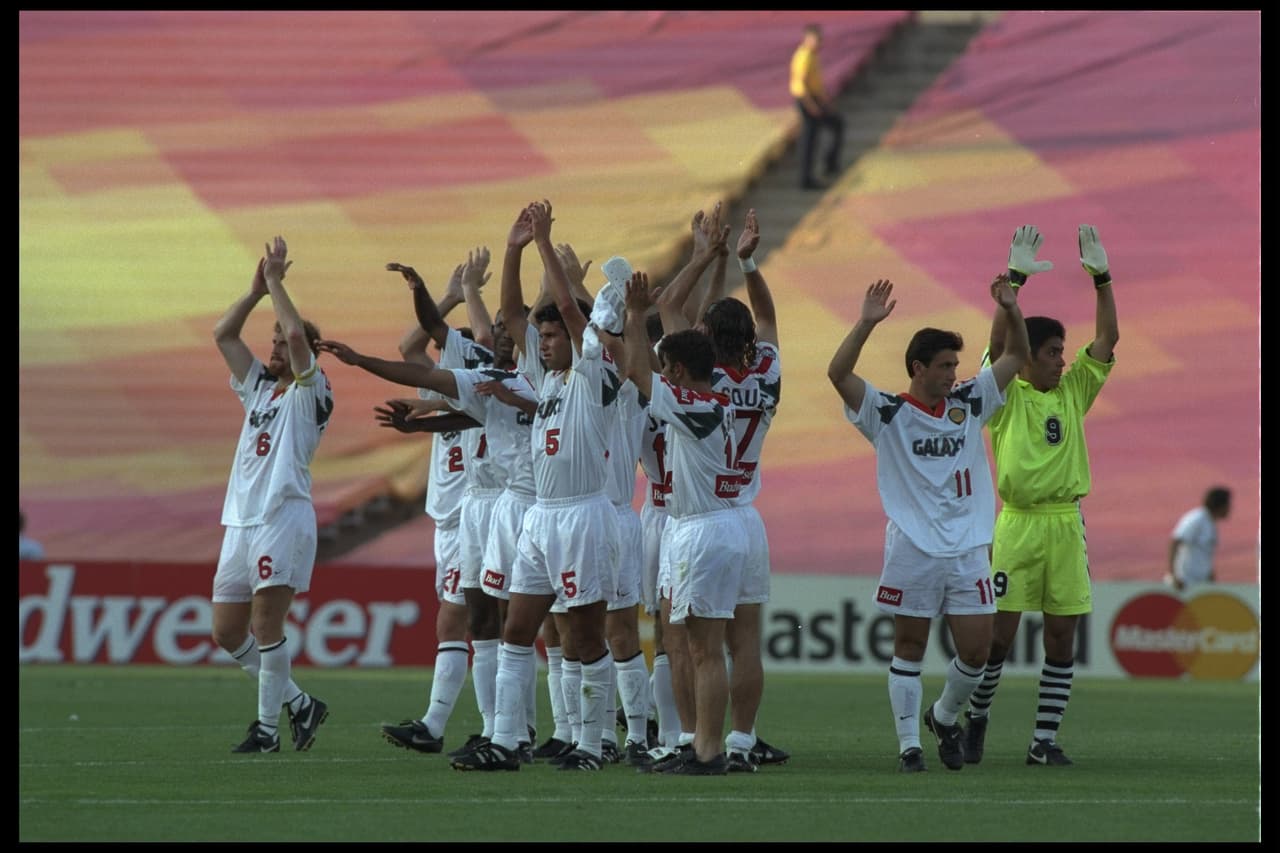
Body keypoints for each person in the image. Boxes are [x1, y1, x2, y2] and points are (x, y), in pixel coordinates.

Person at [827, 271, 1030, 773]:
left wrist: (1010, 306)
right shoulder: (887, 412)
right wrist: (865, 323)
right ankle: (908, 748)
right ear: (918, 368)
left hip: (967, 547)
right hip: (912, 547)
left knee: (978, 651)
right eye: (944, 366)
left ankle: (942, 715)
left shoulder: (968, 404)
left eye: (955, 366)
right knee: (910, 646)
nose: (952, 374)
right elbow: (838, 373)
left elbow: (1014, 358)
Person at [451, 199, 621, 771]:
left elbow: (573, 312)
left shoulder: (593, 374)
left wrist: (547, 243)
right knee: (518, 628)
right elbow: (511, 314)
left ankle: (594, 745)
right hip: (541, 518)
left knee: (586, 636)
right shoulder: (543, 378)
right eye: (541, 336)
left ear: (577, 339)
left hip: (581, 517)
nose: (544, 342)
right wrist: (513, 249)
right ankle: (505, 739)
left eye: (553, 336)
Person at [962, 224, 1119, 769]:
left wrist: (1101, 279)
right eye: (1051, 351)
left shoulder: (1074, 390)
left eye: (1061, 351)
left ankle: (1042, 741)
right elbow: (993, 349)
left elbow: (1106, 343)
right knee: (998, 639)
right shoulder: (1006, 398)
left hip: (1064, 525)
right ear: (1026, 358)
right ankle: (977, 714)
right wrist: (1014, 283)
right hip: (1018, 524)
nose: (1061, 359)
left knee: (1060, 637)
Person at [654, 205, 789, 772]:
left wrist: (705, 253)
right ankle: (739, 739)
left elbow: (666, 311)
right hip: (747, 517)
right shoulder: (767, 373)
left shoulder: (700, 391)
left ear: (706, 340)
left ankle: (696, 744)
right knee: (745, 643)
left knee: (692, 643)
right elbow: (769, 321)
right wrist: (748, 263)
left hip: (701, 516)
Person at [619, 272, 747, 775]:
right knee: (691, 644)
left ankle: (710, 752)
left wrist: (632, 316)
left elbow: (636, 372)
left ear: (676, 369)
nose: (664, 376)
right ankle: (697, 744)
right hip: (696, 527)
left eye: (667, 368)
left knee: (706, 650)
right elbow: (645, 372)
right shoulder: (707, 404)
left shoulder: (699, 407)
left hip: (706, 529)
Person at [210, 236, 332, 754]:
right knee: (226, 630)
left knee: (264, 624)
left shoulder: (313, 389)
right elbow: (224, 334)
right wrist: (256, 290)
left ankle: (265, 731)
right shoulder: (261, 385)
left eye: (283, 343)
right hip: (241, 519)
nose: (276, 348)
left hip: (283, 514)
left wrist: (280, 282)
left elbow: (301, 338)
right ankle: (301, 703)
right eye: (275, 341)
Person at [372, 250, 496, 756]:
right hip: (447, 519)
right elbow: (408, 345)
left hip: (472, 515)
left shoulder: (476, 384)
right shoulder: (444, 388)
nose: (441, 357)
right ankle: (502, 727)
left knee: (458, 619)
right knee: (483, 624)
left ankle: (437, 724)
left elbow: (480, 345)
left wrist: (469, 292)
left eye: (452, 350)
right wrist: (445, 294)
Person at [790, 22, 845, 190]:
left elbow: (816, 84)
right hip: (807, 100)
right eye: (816, 39)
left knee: (835, 126)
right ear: (807, 38)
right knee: (810, 139)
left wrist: (825, 102)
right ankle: (807, 178)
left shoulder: (812, 55)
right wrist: (812, 106)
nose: (819, 42)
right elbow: (801, 85)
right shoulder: (804, 56)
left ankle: (829, 164)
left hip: (814, 99)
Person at [1166, 487, 1232, 591]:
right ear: (1220, 504)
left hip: (1200, 584)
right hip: (1183, 583)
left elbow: (1203, 554)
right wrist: (1173, 574)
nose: (1230, 508)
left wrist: (1210, 577)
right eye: (1228, 504)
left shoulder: (1211, 523)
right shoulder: (1197, 519)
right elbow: (1176, 541)